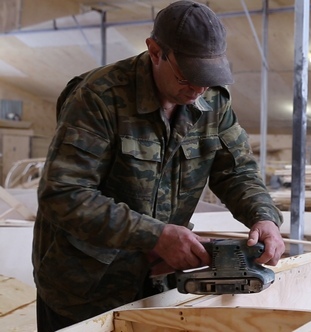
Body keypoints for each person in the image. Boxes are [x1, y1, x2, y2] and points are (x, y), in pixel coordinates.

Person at [32, 1, 285, 330]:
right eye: (187, 78)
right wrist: (156, 236)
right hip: (85, 288)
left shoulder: (213, 103)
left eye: (206, 80)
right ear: (155, 51)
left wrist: (263, 215)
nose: (197, 91)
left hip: (157, 283)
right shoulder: (98, 98)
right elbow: (64, 195)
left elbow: (235, 172)